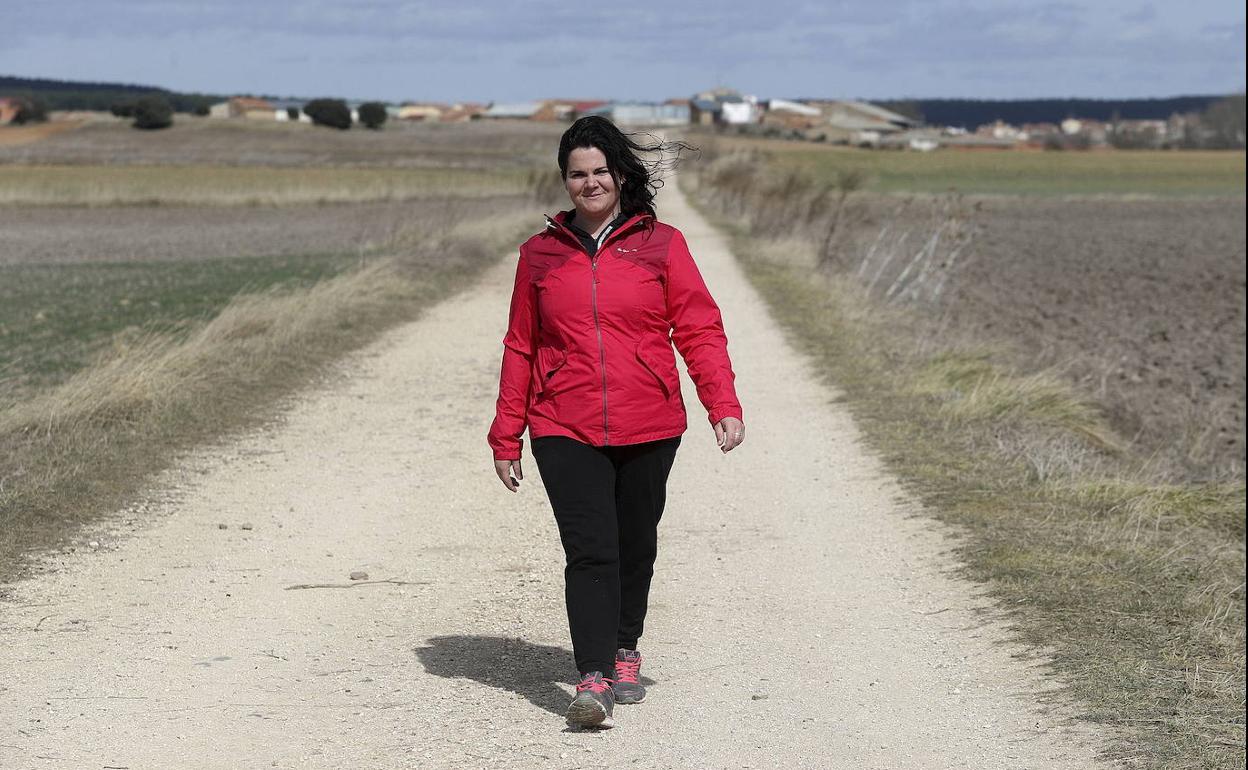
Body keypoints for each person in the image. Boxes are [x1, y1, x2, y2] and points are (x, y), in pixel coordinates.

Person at [487, 116, 744, 729]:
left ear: (620, 175)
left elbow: (699, 327)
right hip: (562, 422)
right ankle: (593, 675)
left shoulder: (662, 244)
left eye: (600, 170)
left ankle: (626, 647)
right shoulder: (540, 255)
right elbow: (520, 345)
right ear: (565, 182)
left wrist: (722, 403)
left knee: (635, 545)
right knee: (590, 551)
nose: (590, 182)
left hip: (650, 420)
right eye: (578, 174)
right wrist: (507, 433)